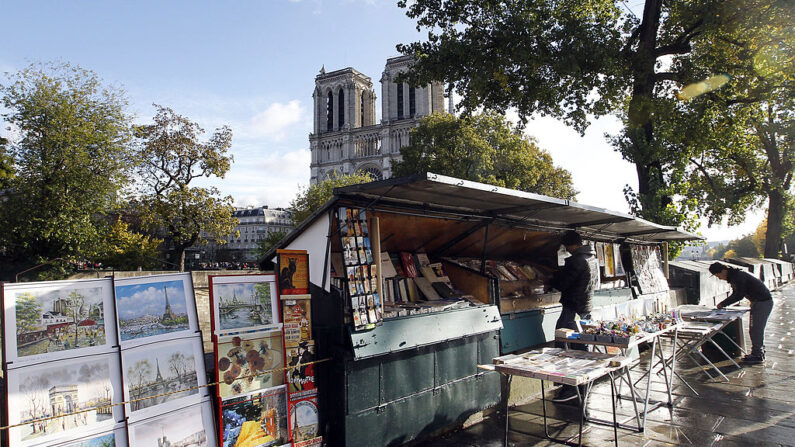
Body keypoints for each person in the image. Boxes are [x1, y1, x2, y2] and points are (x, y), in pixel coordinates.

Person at [549, 230, 599, 403]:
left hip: (572, 308)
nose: (566, 250)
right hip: (585, 309)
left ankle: (570, 388)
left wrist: (551, 279)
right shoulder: (591, 258)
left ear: (572, 245)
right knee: (581, 348)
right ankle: (582, 385)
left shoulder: (576, 261)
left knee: (564, 347)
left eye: (566, 246)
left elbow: (563, 284)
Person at [709, 262, 773, 365]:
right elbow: (737, 293)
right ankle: (757, 352)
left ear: (724, 271)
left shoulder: (737, 276)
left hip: (762, 302)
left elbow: (739, 295)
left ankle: (757, 355)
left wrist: (723, 304)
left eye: (718, 275)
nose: (719, 278)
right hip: (758, 302)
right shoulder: (735, 275)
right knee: (754, 329)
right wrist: (724, 304)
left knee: (756, 329)